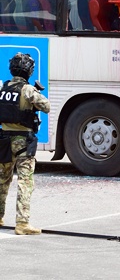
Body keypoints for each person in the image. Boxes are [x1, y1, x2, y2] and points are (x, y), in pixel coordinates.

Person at [0, 53, 50, 235]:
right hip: (23, 140)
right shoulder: (28, 90)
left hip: (3, 139)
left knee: (2, 180)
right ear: (29, 71)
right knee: (25, 181)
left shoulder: (2, 86)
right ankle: (22, 223)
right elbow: (46, 106)